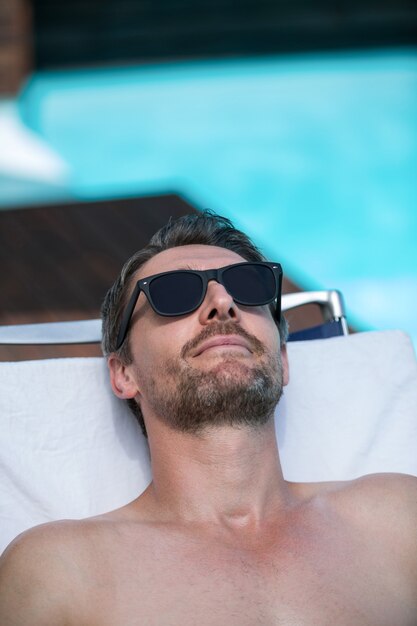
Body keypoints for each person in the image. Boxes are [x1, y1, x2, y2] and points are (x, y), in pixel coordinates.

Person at [0, 210, 416, 625]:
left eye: (248, 287)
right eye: (174, 293)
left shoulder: (396, 518)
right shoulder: (61, 570)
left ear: (284, 361)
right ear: (124, 373)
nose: (223, 303)